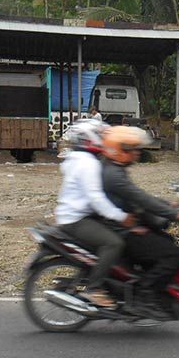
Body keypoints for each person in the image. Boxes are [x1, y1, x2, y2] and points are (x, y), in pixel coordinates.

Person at [99, 126, 179, 314]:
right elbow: (140, 198)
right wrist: (175, 214)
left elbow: (140, 197)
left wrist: (169, 206)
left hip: (125, 224)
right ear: (120, 150)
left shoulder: (113, 169)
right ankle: (144, 295)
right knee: (172, 254)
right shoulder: (113, 176)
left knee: (166, 240)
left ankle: (152, 287)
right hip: (121, 230)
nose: (137, 154)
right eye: (133, 149)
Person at [54, 119, 134, 309]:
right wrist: (120, 216)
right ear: (89, 138)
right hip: (76, 220)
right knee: (113, 243)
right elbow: (96, 199)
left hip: (74, 215)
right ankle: (94, 288)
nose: (103, 140)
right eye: (100, 136)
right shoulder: (88, 164)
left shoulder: (77, 159)